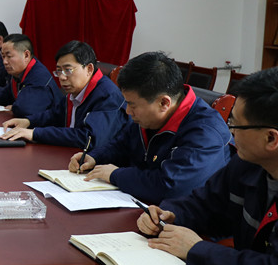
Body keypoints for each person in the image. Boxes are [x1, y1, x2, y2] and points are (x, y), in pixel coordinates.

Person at [137, 68, 278, 265]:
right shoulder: (246, 165)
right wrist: (171, 215)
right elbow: (203, 204)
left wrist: (197, 250)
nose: (230, 132)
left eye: (236, 124)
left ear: (271, 138)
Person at [68, 51, 230, 203]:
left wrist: (115, 175)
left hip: (186, 219)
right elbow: (122, 144)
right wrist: (95, 157)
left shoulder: (205, 132)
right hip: (144, 206)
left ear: (164, 103)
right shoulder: (148, 116)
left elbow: (171, 187)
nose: (127, 111)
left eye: (132, 105)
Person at [0, 40, 127, 149]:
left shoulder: (107, 96)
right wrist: (28, 121)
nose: (62, 77)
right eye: (59, 71)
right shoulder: (75, 91)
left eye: (68, 70)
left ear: (89, 69)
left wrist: (35, 133)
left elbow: (88, 138)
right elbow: (54, 114)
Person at [0, 33, 61, 117]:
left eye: (9, 56)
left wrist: (14, 107)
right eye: (3, 56)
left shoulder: (38, 76)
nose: (4, 62)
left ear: (26, 55)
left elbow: (25, 109)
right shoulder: (18, 73)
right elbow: (8, 94)